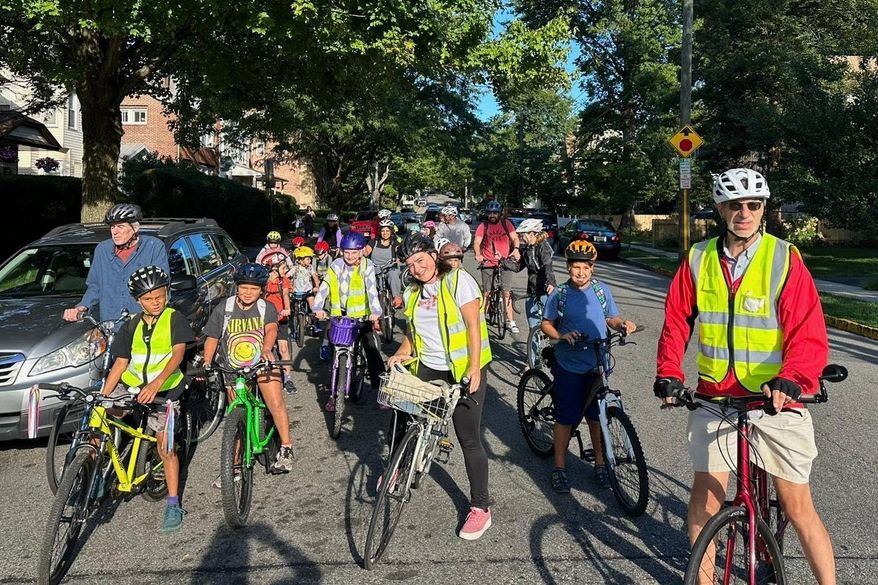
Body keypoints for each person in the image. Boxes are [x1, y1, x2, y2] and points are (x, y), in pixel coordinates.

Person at [654, 168, 836, 585]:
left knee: (795, 504)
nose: (744, 213)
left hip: (776, 397)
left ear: (763, 210)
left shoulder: (783, 257)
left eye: (753, 205)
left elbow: (807, 330)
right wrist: (667, 372)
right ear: (720, 209)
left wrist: (794, 378)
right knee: (706, 496)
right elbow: (677, 321)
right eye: (735, 205)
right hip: (715, 396)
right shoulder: (699, 258)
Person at [387, 233, 494, 540]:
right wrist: (402, 352)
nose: (416, 269)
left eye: (420, 261)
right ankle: (398, 466)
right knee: (401, 412)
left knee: (468, 438)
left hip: (462, 369)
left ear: (433, 256)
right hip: (428, 365)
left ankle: (481, 508)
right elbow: (412, 330)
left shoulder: (458, 281)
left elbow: (474, 325)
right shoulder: (411, 291)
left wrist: (474, 368)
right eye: (410, 264)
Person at [100, 266, 195, 532]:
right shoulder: (131, 325)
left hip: (164, 390)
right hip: (132, 385)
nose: (155, 303)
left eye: (160, 296)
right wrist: (104, 394)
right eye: (149, 299)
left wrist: (157, 383)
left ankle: (173, 503)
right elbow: (121, 362)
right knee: (100, 416)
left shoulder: (174, 318)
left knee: (166, 447)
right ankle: (96, 468)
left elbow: (177, 355)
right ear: (137, 300)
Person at [540, 240, 635, 493]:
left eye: (586, 267)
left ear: (592, 268)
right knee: (566, 417)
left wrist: (623, 324)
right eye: (575, 267)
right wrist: (561, 335)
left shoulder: (602, 291)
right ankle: (559, 466)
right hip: (569, 363)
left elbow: (611, 318)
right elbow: (546, 324)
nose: (580, 272)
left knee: (596, 416)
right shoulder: (559, 294)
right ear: (568, 267)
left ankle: (601, 463)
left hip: (598, 362)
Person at [202, 263, 295, 480]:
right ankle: (232, 466)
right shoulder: (224, 308)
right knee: (236, 415)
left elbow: (271, 329)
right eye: (244, 288)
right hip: (231, 366)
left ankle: (286, 447)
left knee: (275, 402)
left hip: (261, 362)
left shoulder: (266, 307)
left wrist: (265, 348)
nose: (248, 293)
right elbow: (213, 337)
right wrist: (207, 362)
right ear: (237, 287)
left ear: (261, 290)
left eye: (253, 289)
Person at [310, 232, 384, 408]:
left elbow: (372, 289)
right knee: (334, 351)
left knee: (371, 349)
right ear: (341, 251)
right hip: (340, 317)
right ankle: (334, 394)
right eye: (346, 252)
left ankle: (382, 392)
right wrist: (318, 307)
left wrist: (375, 311)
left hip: (362, 318)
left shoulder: (367, 266)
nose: (350, 256)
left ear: (361, 251)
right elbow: (325, 286)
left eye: (354, 252)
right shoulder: (336, 265)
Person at [63, 203, 169, 323]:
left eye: (120, 226)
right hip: (111, 324)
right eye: (112, 227)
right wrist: (81, 307)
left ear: (135, 228)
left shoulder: (153, 247)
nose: (115, 232)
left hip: (145, 323)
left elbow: (161, 286)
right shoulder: (102, 250)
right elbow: (95, 286)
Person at [473, 200, 521, 334]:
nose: (492, 215)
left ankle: (511, 321)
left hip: (505, 262)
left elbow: (515, 238)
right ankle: (480, 320)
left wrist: (516, 249)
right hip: (488, 262)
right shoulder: (484, 226)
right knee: (487, 293)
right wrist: (478, 254)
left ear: (500, 213)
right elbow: (477, 242)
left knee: (507, 292)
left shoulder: (507, 224)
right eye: (490, 213)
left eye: (495, 213)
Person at [261, 256, 296, 394]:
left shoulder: (284, 281)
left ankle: (287, 378)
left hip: (280, 319)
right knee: (264, 347)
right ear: (274, 268)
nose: (286, 270)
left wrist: (287, 309)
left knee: (283, 348)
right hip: (266, 320)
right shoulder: (264, 283)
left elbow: (286, 297)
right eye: (283, 267)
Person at [515, 218, 556, 329]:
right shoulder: (526, 249)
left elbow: (548, 266)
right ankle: (534, 346)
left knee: (550, 325)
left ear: (532, 234)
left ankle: (555, 344)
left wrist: (551, 283)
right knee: (533, 327)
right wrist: (502, 261)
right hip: (532, 291)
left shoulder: (543, 247)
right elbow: (518, 267)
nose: (520, 237)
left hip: (545, 291)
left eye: (522, 234)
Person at [365, 219, 403, 308]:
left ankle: (397, 299)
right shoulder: (373, 242)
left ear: (391, 232)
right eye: (382, 231)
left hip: (390, 267)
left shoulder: (394, 243)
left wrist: (401, 257)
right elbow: (366, 252)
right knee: (366, 277)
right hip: (375, 268)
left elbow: (399, 250)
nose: (385, 233)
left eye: (387, 231)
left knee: (393, 275)